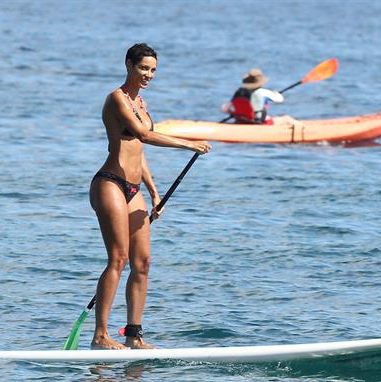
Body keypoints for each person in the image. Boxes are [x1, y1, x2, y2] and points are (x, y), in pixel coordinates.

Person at [89, 43, 211, 350]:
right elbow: (143, 136)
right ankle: (101, 335)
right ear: (129, 64)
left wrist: (155, 192)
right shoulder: (116, 99)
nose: (149, 75)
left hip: (134, 190)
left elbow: (138, 152)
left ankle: (134, 334)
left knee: (142, 263)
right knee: (118, 258)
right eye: (144, 68)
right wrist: (187, 143)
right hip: (110, 184)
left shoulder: (141, 103)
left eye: (153, 70)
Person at [226, 69, 298, 125]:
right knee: (287, 119)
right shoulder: (263, 92)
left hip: (241, 120)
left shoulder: (239, 92)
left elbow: (226, 109)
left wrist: (236, 114)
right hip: (260, 123)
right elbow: (280, 99)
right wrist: (276, 94)